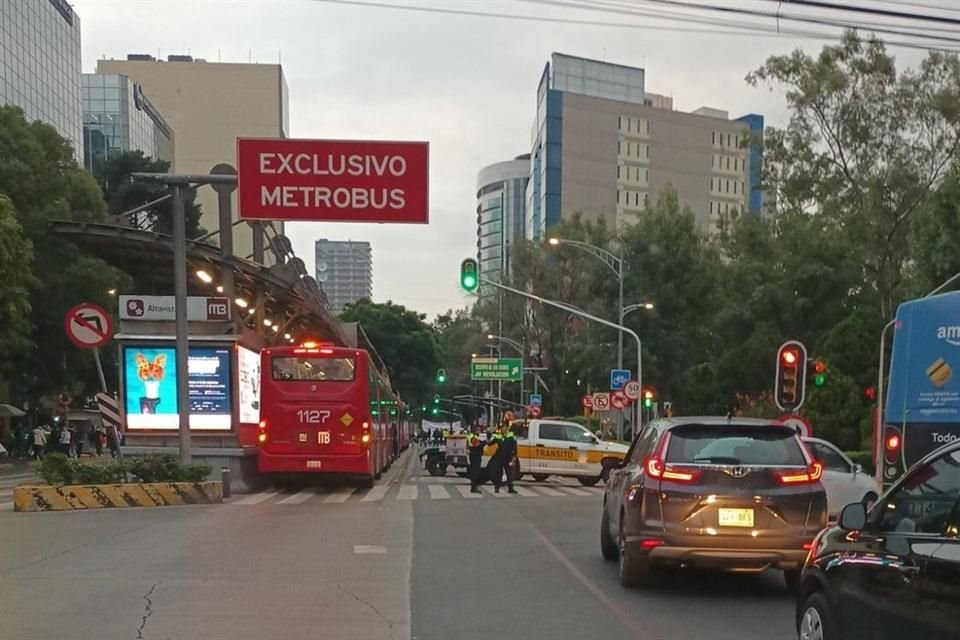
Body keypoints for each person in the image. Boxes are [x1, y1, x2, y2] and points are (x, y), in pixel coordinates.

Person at [491, 423, 518, 494]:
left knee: (509, 473)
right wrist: (491, 431)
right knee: (498, 473)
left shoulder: (511, 436)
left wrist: (514, 457)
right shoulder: (498, 437)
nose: (504, 429)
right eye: (502, 427)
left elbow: (514, 447)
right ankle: (497, 488)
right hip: (500, 457)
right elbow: (490, 443)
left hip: (508, 457)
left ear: (507, 428)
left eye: (505, 427)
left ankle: (510, 488)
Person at [467, 425, 486, 494]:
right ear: (475, 430)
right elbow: (478, 445)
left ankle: (473, 486)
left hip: (474, 455)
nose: (479, 431)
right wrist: (485, 442)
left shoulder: (473, 436)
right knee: (475, 471)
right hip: (475, 455)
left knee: (474, 471)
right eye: (478, 430)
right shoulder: (472, 437)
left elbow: (479, 442)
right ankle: (473, 487)